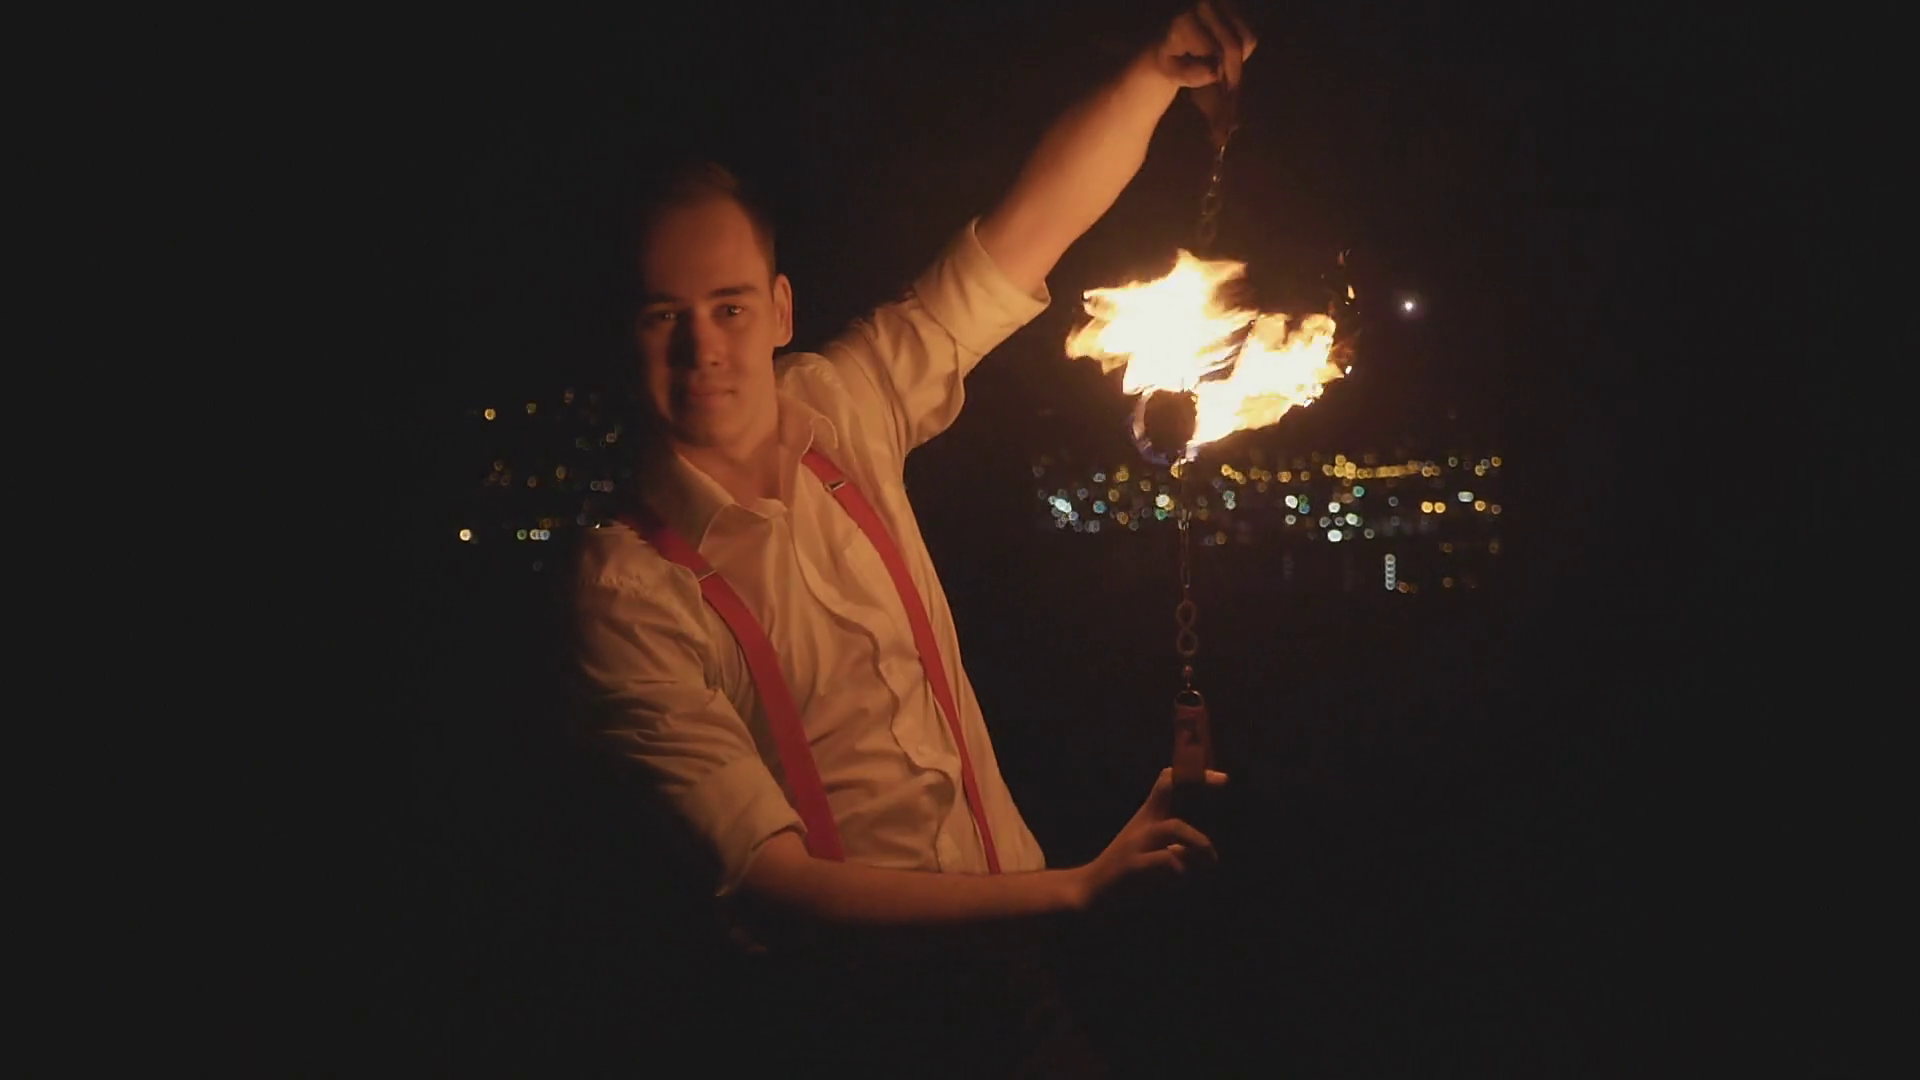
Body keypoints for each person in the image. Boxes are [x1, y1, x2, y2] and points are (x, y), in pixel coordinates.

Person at [571, 3, 1256, 1072]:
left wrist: (1150, 79)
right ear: (623, 335)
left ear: (781, 310)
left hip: (1018, 978)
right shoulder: (626, 589)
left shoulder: (841, 407)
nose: (704, 348)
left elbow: (1019, 239)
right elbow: (775, 883)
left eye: (731, 306)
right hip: (851, 1029)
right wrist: (1077, 890)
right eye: (665, 315)